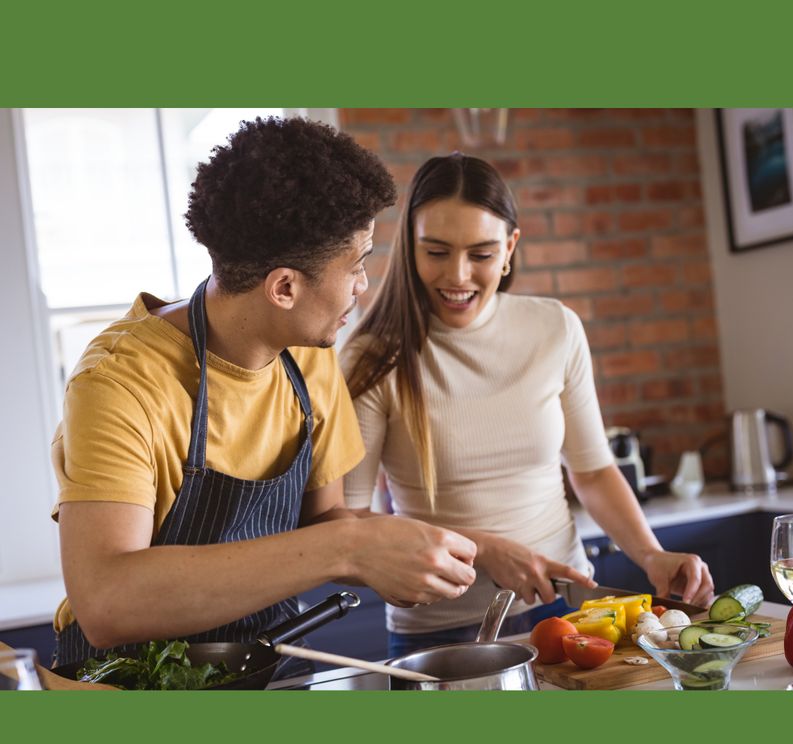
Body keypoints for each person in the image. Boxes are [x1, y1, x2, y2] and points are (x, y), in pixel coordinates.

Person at [52, 118, 477, 668]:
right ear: (284, 287)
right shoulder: (118, 384)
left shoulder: (307, 354)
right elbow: (108, 603)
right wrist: (350, 550)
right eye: (357, 265)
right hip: (124, 685)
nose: (363, 286)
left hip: (257, 670)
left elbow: (323, 523)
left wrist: (404, 549)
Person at [340, 153, 713, 657]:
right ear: (409, 246)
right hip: (440, 632)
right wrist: (484, 549)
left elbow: (594, 470)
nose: (458, 275)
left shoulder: (554, 329)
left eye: (481, 253)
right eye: (436, 251)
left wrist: (651, 554)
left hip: (568, 613)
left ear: (510, 247)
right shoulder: (372, 356)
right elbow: (349, 520)